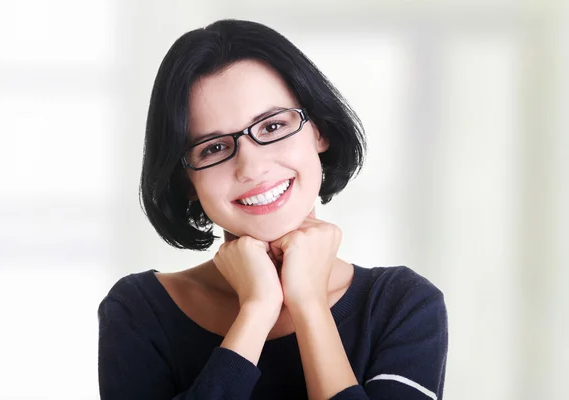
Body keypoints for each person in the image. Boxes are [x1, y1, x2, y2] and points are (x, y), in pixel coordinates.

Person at [97, 19, 448, 400]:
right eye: (213, 148)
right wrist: (256, 312)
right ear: (188, 183)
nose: (251, 167)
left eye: (272, 126)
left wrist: (309, 304)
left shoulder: (402, 305)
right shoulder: (138, 312)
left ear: (319, 130)